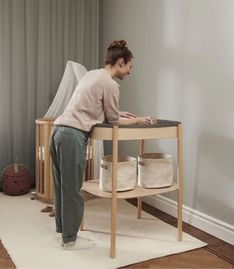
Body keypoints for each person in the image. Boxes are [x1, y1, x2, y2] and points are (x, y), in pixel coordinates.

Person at [49, 40, 153, 250]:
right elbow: (113, 121)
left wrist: (120, 112)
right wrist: (138, 119)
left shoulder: (92, 75)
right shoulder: (112, 85)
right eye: (130, 66)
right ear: (121, 62)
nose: (130, 72)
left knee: (62, 187)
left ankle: (63, 233)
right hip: (72, 135)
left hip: (57, 131)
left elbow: (93, 106)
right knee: (73, 191)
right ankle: (70, 241)